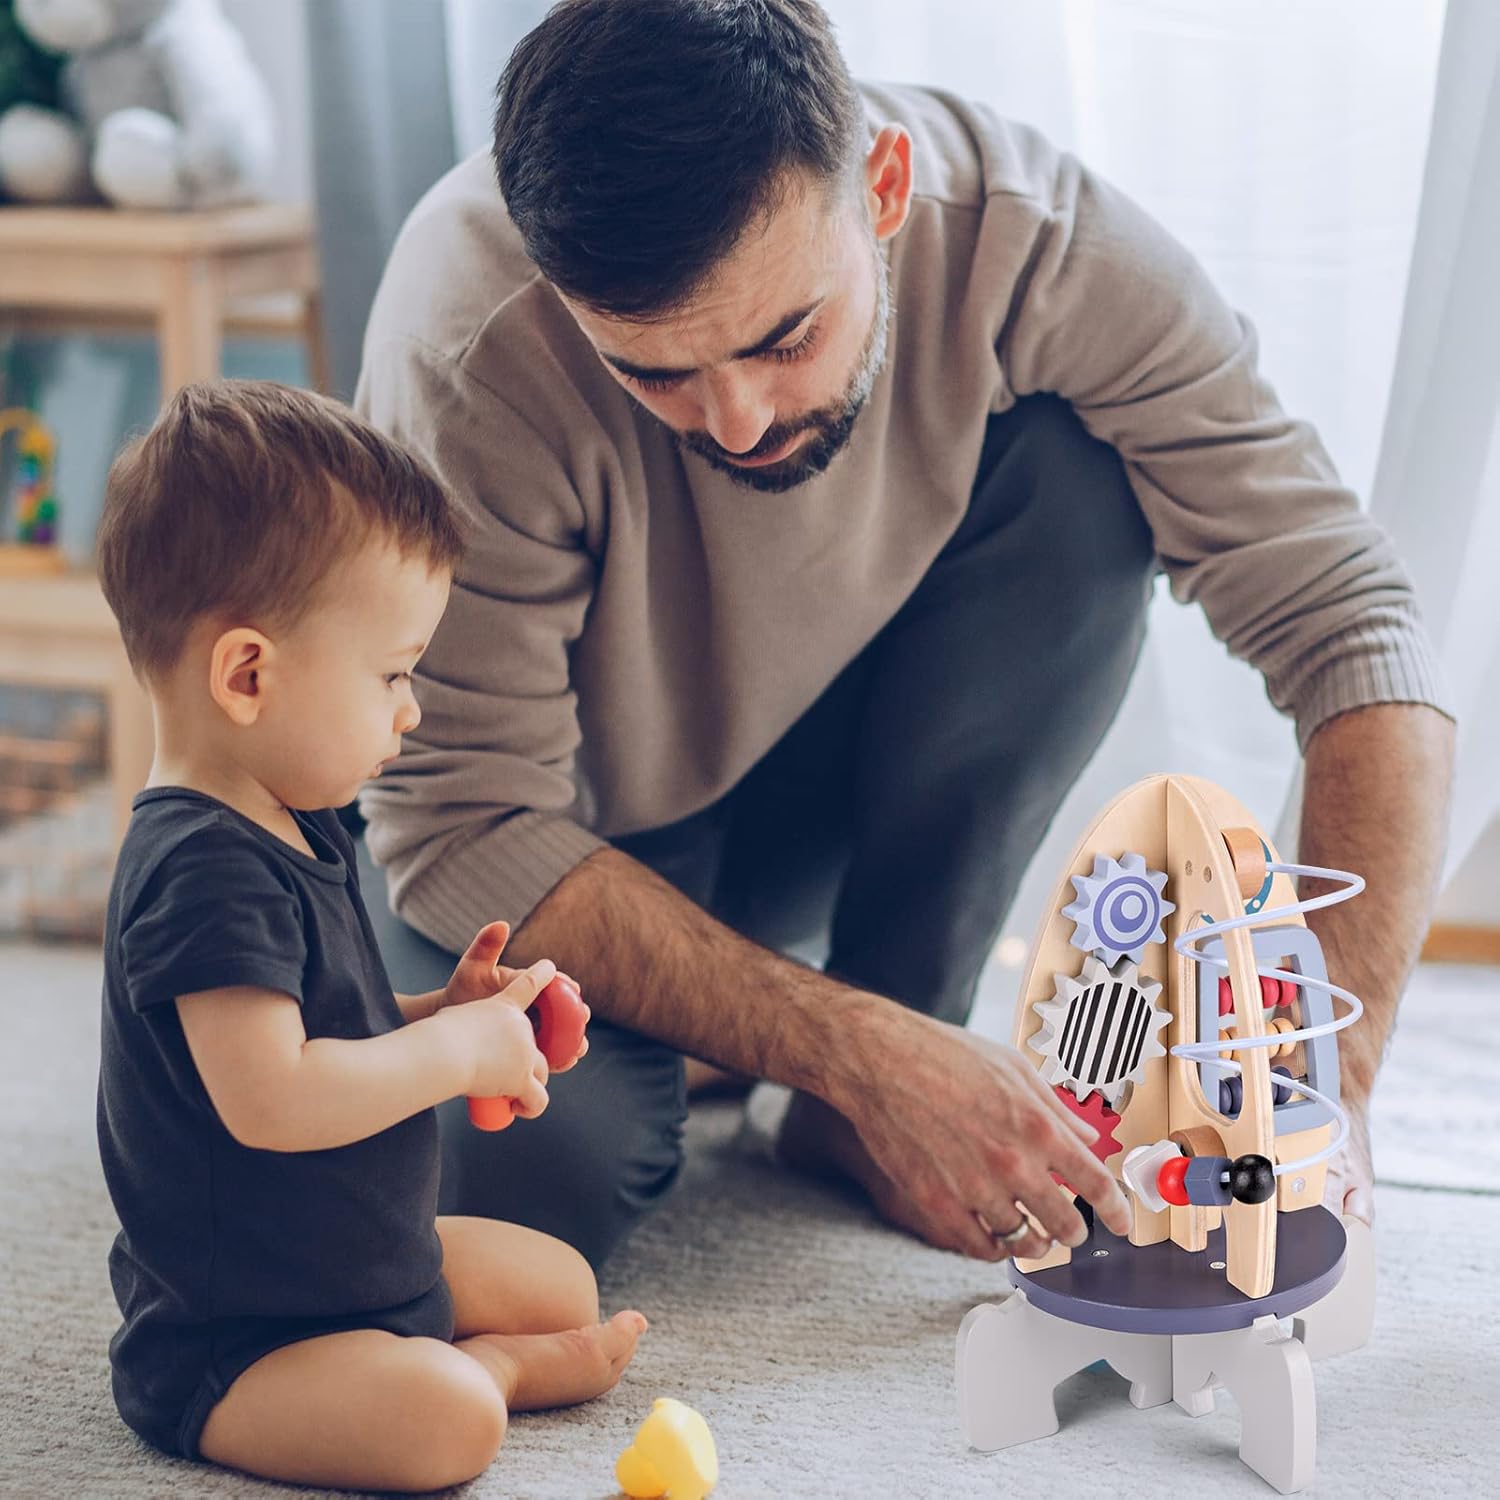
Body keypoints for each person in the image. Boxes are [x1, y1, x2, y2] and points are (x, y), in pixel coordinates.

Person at [355, 0, 1455, 1272]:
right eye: (653, 372)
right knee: (517, 1193)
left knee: (1081, 480)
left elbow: (1357, 628)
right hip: (554, 849)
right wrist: (855, 1047)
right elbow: (460, 827)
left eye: (786, 337)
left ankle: (847, 1068)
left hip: (801, 802)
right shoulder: (466, 332)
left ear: (883, 186)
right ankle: (817, 1056)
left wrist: (1331, 1084)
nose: (735, 421)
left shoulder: (1037, 241)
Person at [93, 380, 646, 1493]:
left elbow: (318, 1031)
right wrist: (452, 1060)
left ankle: (447, 1342)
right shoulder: (199, 869)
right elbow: (274, 1097)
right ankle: (480, 1371)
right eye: (392, 674)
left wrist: (451, 1013)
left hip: (361, 1260)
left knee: (564, 1284)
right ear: (249, 675)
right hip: (243, 1334)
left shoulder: (291, 821)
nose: (412, 710)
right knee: (447, 1426)